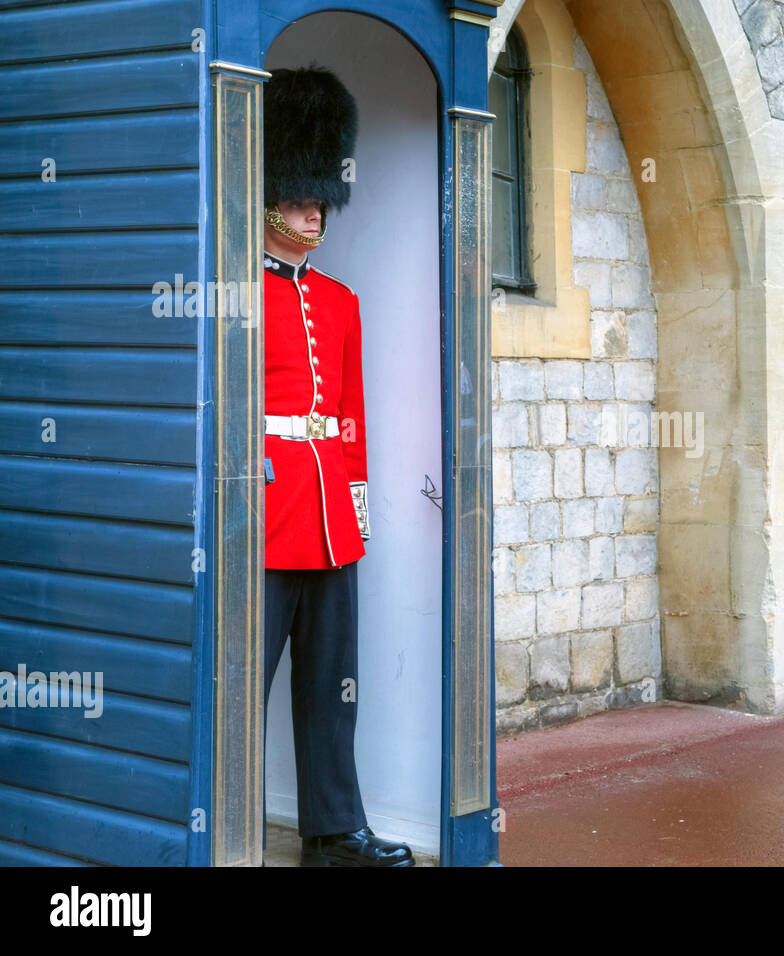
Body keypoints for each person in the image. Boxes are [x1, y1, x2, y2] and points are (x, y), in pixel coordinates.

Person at [260, 65, 413, 867]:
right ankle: (212, 826)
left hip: (327, 521)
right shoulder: (235, 292)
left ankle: (332, 832)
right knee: (240, 686)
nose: (313, 209)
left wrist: (351, 514)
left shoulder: (341, 301)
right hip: (266, 514)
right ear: (267, 193)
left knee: (331, 689)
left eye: (320, 197)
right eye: (299, 195)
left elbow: (350, 419)